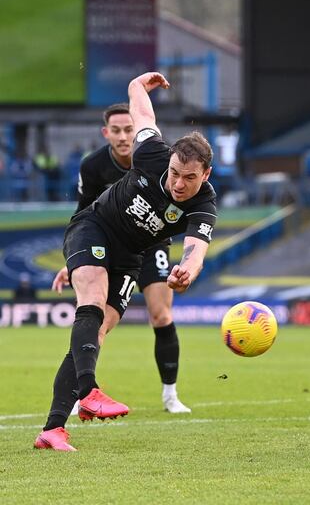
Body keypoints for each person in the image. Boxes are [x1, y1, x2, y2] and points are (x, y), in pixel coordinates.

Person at [34, 72, 217, 452]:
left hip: (131, 258)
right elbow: (142, 112)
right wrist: (138, 83)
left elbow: (197, 247)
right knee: (93, 302)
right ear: (169, 162)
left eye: (189, 178)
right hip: (94, 227)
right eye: (175, 174)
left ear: (206, 174)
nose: (179, 184)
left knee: (93, 336)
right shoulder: (152, 152)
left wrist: (187, 271)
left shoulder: (204, 203)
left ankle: (52, 431)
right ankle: (90, 392)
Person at [52, 103, 191, 414]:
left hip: (151, 241)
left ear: (136, 130)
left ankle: (170, 394)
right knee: (95, 318)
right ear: (106, 133)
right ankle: (80, 392)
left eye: (129, 129)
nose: (124, 136)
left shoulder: (156, 158)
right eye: (116, 130)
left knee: (160, 314)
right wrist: (73, 260)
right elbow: (84, 213)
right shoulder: (93, 167)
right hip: (107, 238)